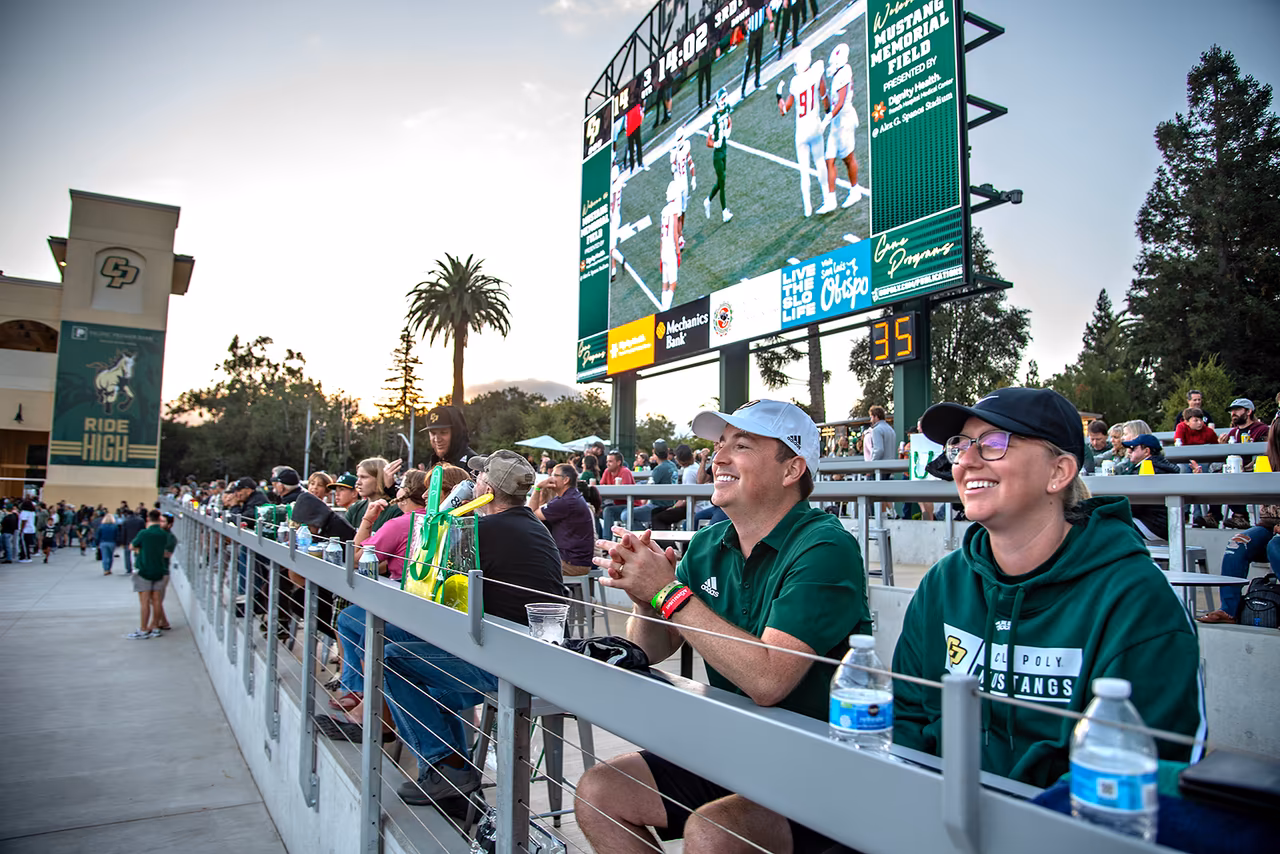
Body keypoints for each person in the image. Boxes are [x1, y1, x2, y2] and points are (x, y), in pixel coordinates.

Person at [575, 400, 870, 853]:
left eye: (743, 445)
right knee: (599, 791)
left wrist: (669, 593)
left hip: (818, 769)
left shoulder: (825, 546)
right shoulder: (710, 542)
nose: (720, 458)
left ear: (792, 469)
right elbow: (651, 648)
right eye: (719, 445)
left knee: (713, 832)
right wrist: (646, 601)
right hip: (736, 748)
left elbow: (769, 680)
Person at [893, 387, 1204, 787]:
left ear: (1059, 472)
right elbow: (906, 716)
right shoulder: (944, 582)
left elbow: (1144, 778)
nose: (964, 462)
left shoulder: (1136, 600)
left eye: (992, 443)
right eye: (960, 445)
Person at [386, 450, 565, 805]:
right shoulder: (531, 525)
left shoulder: (484, 530)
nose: (472, 482)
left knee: (393, 658)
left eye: (478, 477)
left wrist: (452, 508)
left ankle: (445, 767)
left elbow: (428, 575)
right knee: (397, 640)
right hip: (528, 652)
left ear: (488, 488)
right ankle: (452, 766)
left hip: (510, 663)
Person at [1199, 422, 1280, 622]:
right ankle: (1229, 610)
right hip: (1269, 525)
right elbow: (1240, 474)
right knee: (1237, 544)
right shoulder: (1267, 460)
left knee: (1275, 546)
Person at [778, 46, 833, 217]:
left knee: (804, 171)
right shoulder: (816, 73)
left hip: (801, 131)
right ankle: (826, 198)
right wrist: (827, 113)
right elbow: (825, 100)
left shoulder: (795, 82)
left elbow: (783, 110)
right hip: (815, 127)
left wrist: (778, 94)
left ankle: (807, 207)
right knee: (820, 163)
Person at [530, 462, 596, 576]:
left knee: (525, 564)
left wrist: (538, 488)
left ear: (566, 480)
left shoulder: (565, 502)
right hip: (575, 559)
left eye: (555, 475)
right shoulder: (570, 497)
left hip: (572, 563)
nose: (550, 478)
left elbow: (531, 514)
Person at [125, 510, 176, 640]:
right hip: (159, 569)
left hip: (144, 569)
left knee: (145, 602)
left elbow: (132, 546)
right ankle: (155, 627)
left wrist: (141, 550)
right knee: (157, 600)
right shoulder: (163, 535)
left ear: (148, 519)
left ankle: (143, 628)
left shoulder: (144, 533)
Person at [823, 42, 862, 209]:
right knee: (829, 159)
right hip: (836, 121)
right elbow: (832, 102)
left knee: (848, 158)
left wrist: (827, 118)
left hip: (844, 119)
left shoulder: (844, 72)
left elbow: (840, 102)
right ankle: (830, 200)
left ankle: (855, 190)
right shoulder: (838, 73)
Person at [1222, 398, 1270, 529]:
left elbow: (1266, 453)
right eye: (1231, 411)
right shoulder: (1233, 433)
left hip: (1255, 470)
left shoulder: (1262, 429)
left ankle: (1240, 516)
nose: (1233, 413)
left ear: (1249, 411)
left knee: (1234, 478)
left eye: (1237, 410)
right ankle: (1213, 516)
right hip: (1235, 469)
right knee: (1217, 476)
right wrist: (1222, 447)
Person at [1119, 433, 1180, 540]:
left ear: (1146, 451)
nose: (1129, 451)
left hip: (1153, 525)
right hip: (1162, 524)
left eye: (1133, 448)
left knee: (1106, 525)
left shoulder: (1148, 469)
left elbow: (1134, 505)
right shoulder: (1161, 467)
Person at [605, 441, 676, 531]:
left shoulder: (659, 469)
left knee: (626, 515)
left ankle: (646, 537)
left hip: (658, 506)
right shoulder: (673, 466)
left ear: (654, 452)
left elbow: (648, 490)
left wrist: (641, 502)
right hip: (670, 505)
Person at [703, 87, 733, 223]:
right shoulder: (714, 117)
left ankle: (708, 200)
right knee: (722, 180)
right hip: (717, 154)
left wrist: (728, 132)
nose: (724, 100)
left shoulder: (726, 108)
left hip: (724, 149)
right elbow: (707, 141)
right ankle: (724, 212)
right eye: (723, 98)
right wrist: (717, 143)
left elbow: (729, 121)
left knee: (721, 182)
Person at [421, 405, 477, 469]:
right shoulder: (435, 462)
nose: (437, 439)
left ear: (456, 434)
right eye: (433, 433)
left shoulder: (472, 464)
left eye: (443, 433)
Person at [740, 4, 770, 96]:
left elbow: (767, 7)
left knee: (758, 57)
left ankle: (757, 81)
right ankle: (743, 88)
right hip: (752, 33)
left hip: (759, 30)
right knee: (748, 61)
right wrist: (745, 25)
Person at [120, 509, 146, 575]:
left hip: (128, 540)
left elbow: (123, 533)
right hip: (138, 539)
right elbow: (143, 530)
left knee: (127, 555)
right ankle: (138, 567)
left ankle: (128, 569)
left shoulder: (125, 521)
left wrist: (122, 542)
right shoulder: (140, 520)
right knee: (137, 554)